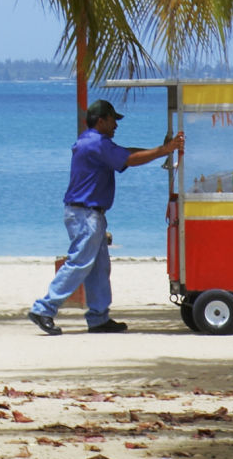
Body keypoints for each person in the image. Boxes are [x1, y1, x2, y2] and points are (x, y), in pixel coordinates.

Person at [27, 100, 181, 337]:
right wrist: (164, 150)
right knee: (80, 263)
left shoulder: (94, 142)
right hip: (85, 214)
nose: (116, 125)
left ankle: (98, 318)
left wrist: (160, 149)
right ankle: (43, 309)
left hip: (88, 213)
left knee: (99, 267)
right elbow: (130, 159)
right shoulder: (97, 144)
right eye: (112, 120)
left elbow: (126, 152)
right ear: (101, 121)